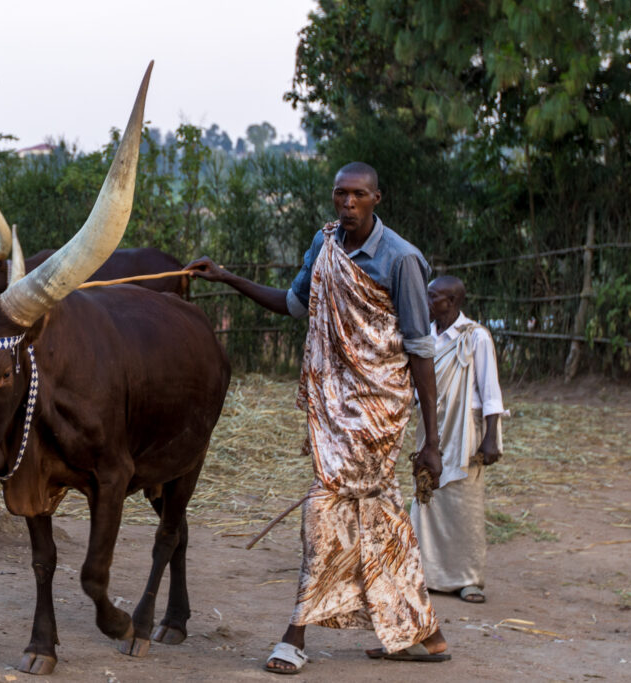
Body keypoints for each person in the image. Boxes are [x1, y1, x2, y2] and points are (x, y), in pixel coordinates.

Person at [187, 161, 450, 674]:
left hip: (378, 409)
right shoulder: (324, 245)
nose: (347, 204)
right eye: (340, 195)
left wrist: (431, 440)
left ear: (378, 198)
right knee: (380, 516)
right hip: (332, 405)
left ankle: (295, 635)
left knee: (322, 508)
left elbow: (420, 350)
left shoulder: (402, 260)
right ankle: (425, 633)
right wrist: (226, 277)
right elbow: (293, 304)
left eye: (358, 195)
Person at [410, 275, 505, 604]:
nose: (427, 302)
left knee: (464, 503)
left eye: (433, 297)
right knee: (428, 497)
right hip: (431, 427)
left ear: (451, 302)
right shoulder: (426, 338)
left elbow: (490, 390)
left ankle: (468, 580)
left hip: (465, 429)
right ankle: (428, 573)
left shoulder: (475, 337)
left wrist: (491, 438)